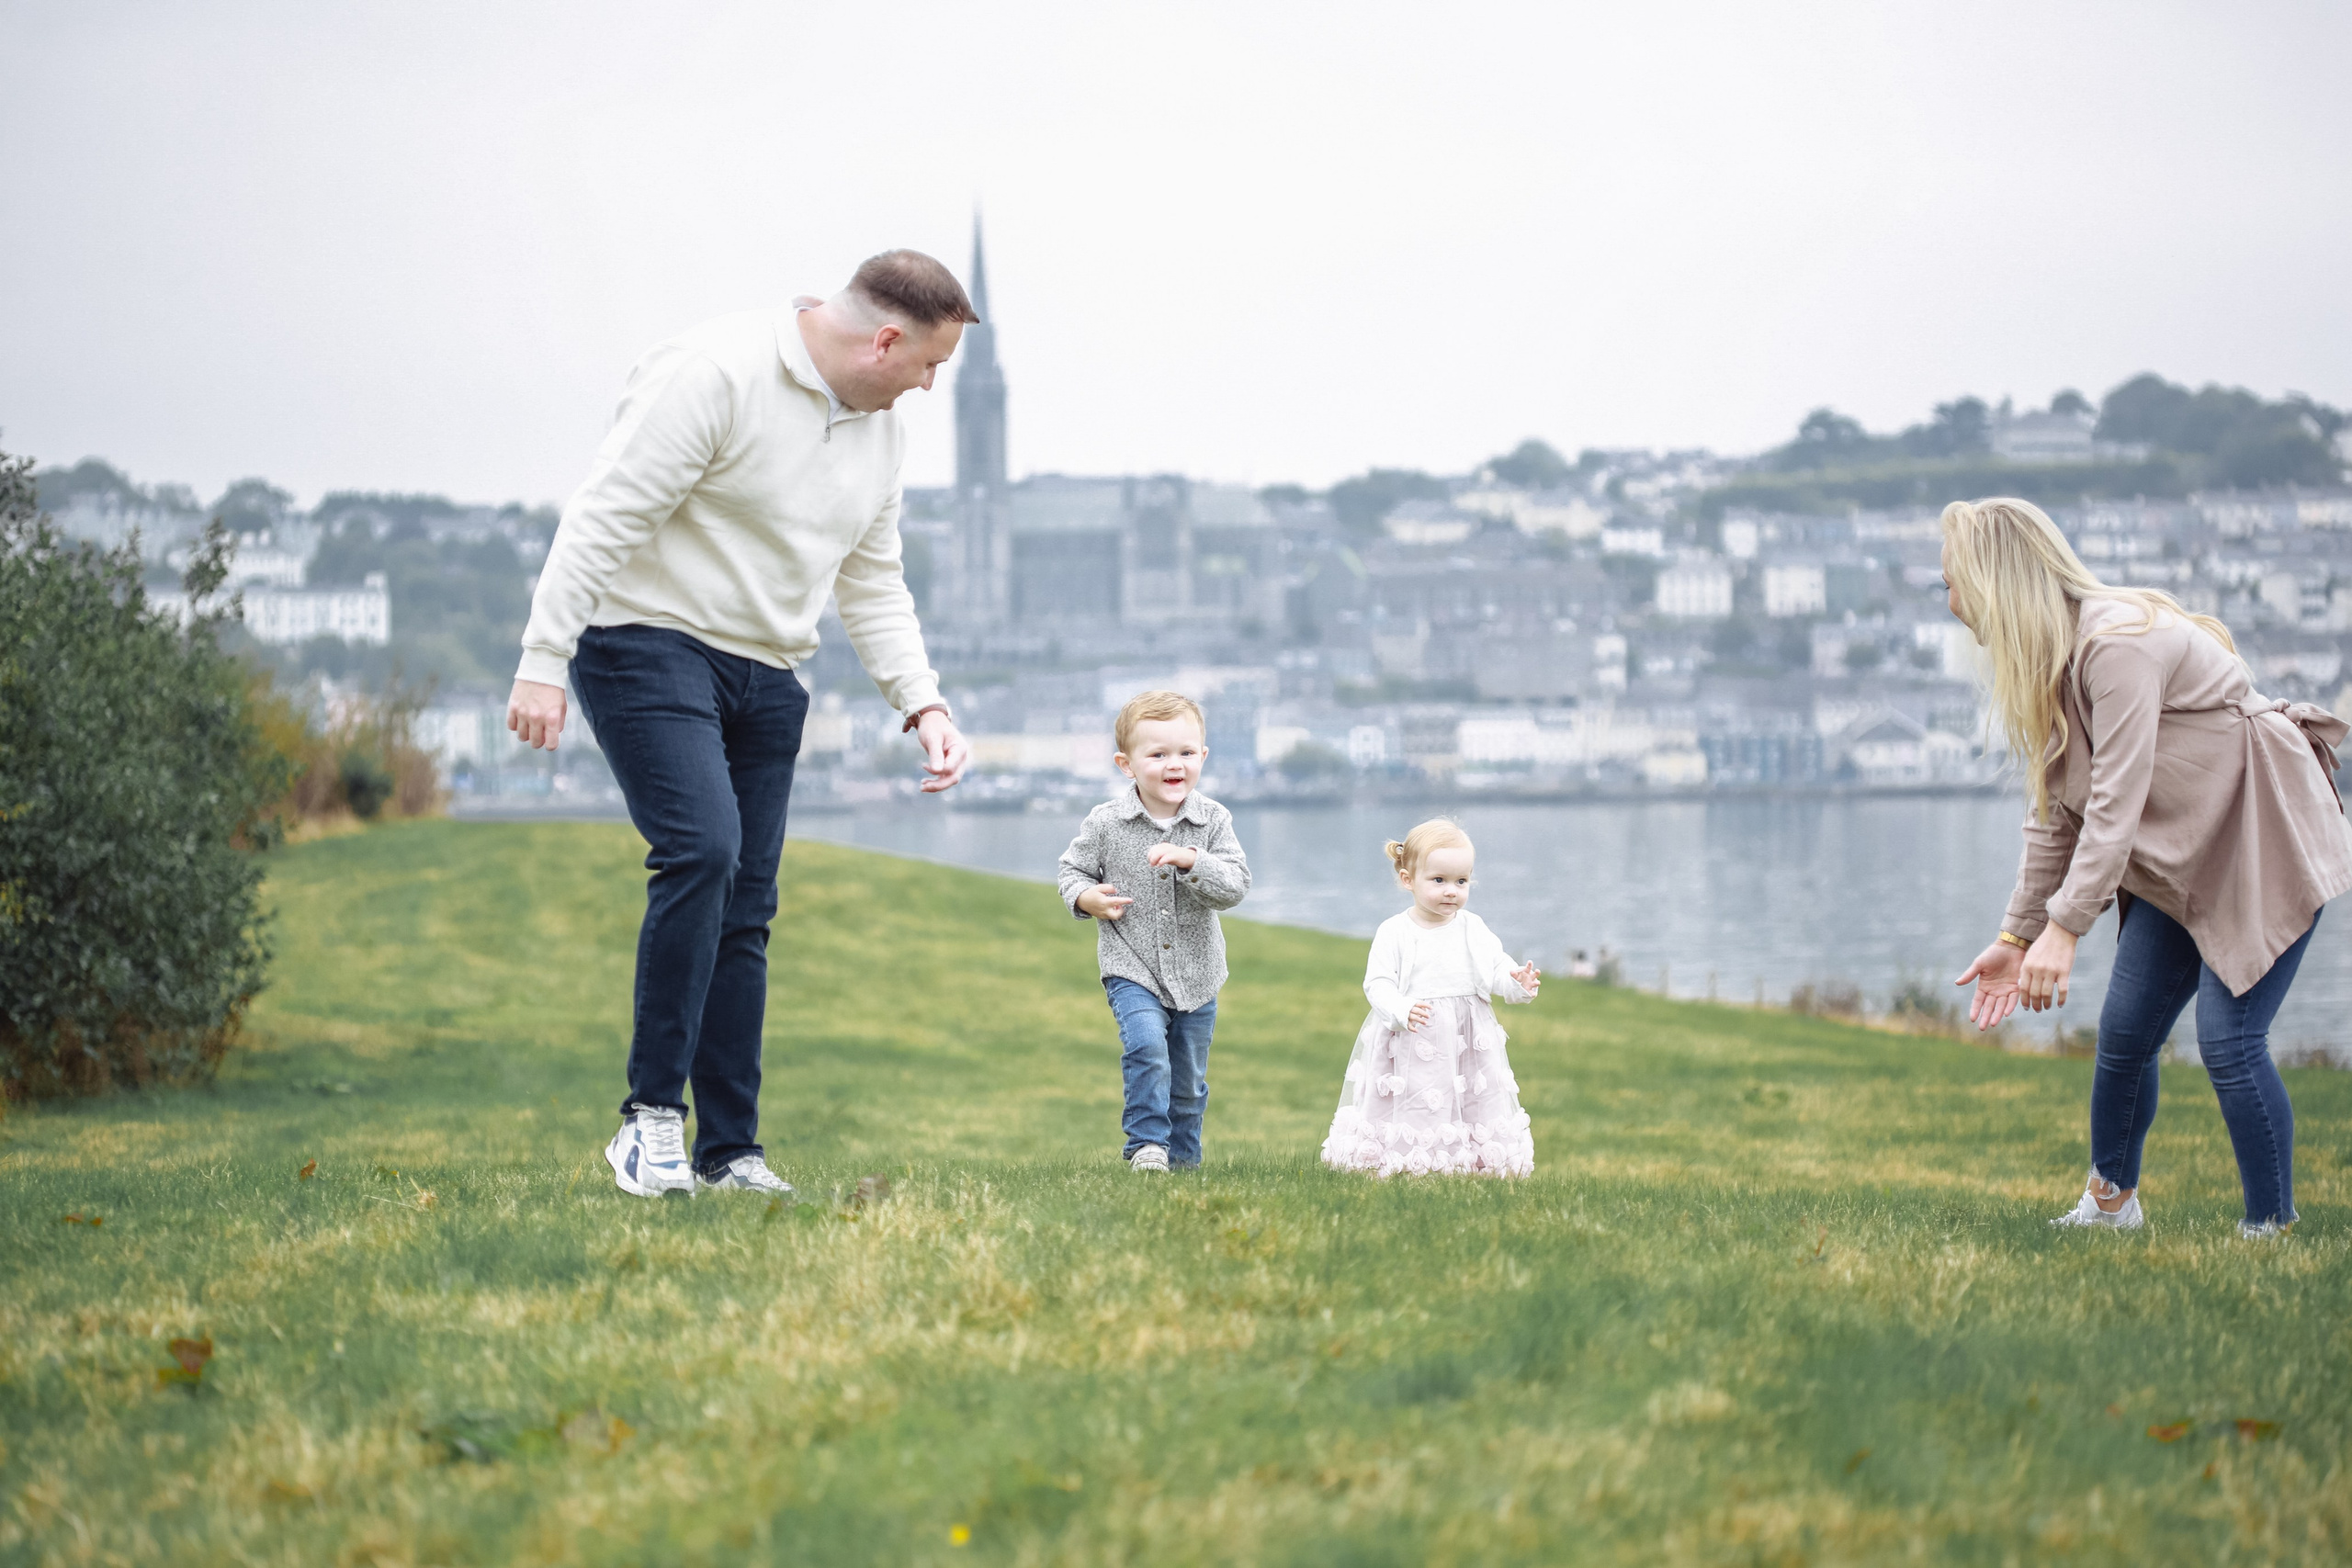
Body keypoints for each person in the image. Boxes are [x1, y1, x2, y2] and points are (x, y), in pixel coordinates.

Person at [505, 250, 978, 1200]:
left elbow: (871, 576)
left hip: (769, 674)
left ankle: (731, 1154)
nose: (930, 386)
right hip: (645, 643)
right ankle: (648, 1125)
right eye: (928, 364)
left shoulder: (879, 432)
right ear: (883, 339)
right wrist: (542, 659)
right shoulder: (712, 371)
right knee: (703, 853)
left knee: (746, 911)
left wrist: (921, 702)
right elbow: (604, 515)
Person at [1945, 498, 2351, 1236]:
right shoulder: (2052, 666)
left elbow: (2115, 803)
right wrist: (2014, 937)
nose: (1948, 602)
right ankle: (2111, 1203)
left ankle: (2272, 1226)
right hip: (2183, 860)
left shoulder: (2113, 647)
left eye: (1953, 583)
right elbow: (2053, 818)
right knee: (2125, 1031)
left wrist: (2065, 929)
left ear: (1994, 581)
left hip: (2261, 839)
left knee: (2229, 1041)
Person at [1056, 691, 1251, 1172]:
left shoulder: (1212, 821)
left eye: (1186, 753)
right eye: (1158, 754)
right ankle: (1146, 1147)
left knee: (1187, 1082)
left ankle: (1184, 1163)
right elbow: (1071, 872)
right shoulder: (1106, 822)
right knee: (1145, 1046)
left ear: (1203, 756)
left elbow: (1236, 886)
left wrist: (1193, 861)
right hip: (1131, 966)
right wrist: (1087, 898)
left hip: (1198, 973)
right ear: (1127, 764)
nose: (1174, 765)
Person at [1320, 819, 1540, 1178]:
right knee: (1416, 1102)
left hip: (1467, 1039)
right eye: (1439, 880)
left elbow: (1496, 968)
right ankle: (1408, 1162)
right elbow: (1377, 983)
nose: (1451, 890)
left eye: (1461, 881)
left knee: (1473, 1100)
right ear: (1408, 880)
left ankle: (1472, 1162)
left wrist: (1517, 982)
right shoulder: (1395, 932)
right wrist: (1401, 1008)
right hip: (1412, 1035)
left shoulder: (1473, 928)